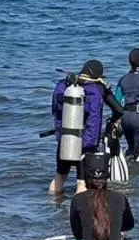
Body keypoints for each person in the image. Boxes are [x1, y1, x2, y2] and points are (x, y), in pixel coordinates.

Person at [63, 151, 135, 240]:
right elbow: (129, 225)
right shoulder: (120, 198)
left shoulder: (78, 200)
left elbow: (78, 234)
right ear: (107, 176)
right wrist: (114, 226)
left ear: (85, 176)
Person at [49, 59, 114, 196]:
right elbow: (95, 118)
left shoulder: (65, 86)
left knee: (60, 176)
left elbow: (55, 110)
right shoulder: (96, 90)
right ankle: (78, 212)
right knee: (81, 182)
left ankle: (53, 207)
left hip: (65, 139)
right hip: (85, 143)